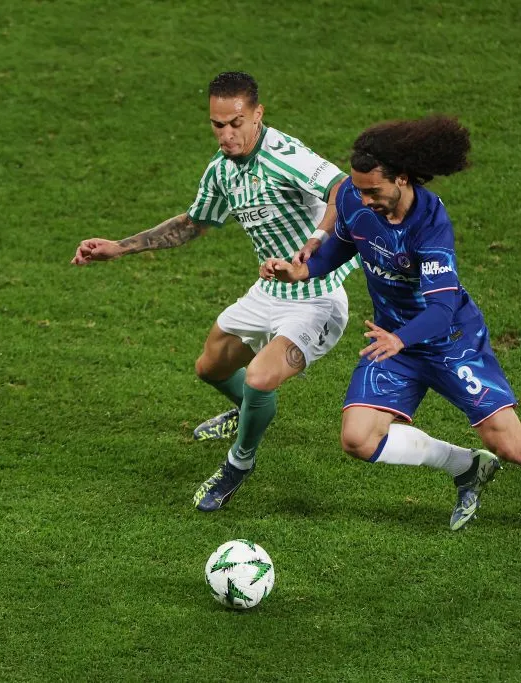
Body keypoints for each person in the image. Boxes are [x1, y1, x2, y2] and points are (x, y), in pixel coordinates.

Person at [262, 115, 521, 558]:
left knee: (508, 443)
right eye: (359, 189)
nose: (363, 199)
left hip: (450, 340)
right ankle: (466, 467)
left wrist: (400, 340)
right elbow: (345, 243)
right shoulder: (356, 199)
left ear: (402, 178)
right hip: (394, 340)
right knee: (358, 438)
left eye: (373, 190)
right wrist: (302, 270)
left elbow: (442, 308)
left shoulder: (430, 223)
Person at [71, 72, 356, 512]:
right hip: (270, 288)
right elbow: (193, 223)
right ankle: (247, 414)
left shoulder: (286, 155)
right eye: (217, 125)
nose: (226, 135)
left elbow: (344, 189)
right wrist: (120, 247)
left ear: (257, 115)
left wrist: (316, 242)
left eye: (236, 123)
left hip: (318, 295)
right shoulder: (222, 171)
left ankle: (239, 463)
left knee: (259, 378)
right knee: (210, 367)